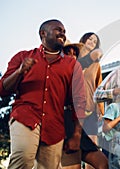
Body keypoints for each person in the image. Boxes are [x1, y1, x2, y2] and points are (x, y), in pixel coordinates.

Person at [0, 19, 86, 169]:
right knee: (23, 158)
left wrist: (77, 134)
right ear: (43, 33)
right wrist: (20, 72)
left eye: (64, 31)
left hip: (55, 126)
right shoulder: (22, 57)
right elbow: (3, 89)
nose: (63, 34)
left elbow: (78, 101)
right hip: (25, 116)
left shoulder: (72, 66)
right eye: (58, 30)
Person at [61, 41, 108, 169]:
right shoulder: (56, 74)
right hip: (60, 123)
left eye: (74, 53)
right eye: (67, 52)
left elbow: (98, 88)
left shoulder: (81, 73)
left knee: (102, 162)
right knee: (72, 165)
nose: (72, 56)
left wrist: (101, 110)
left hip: (79, 120)